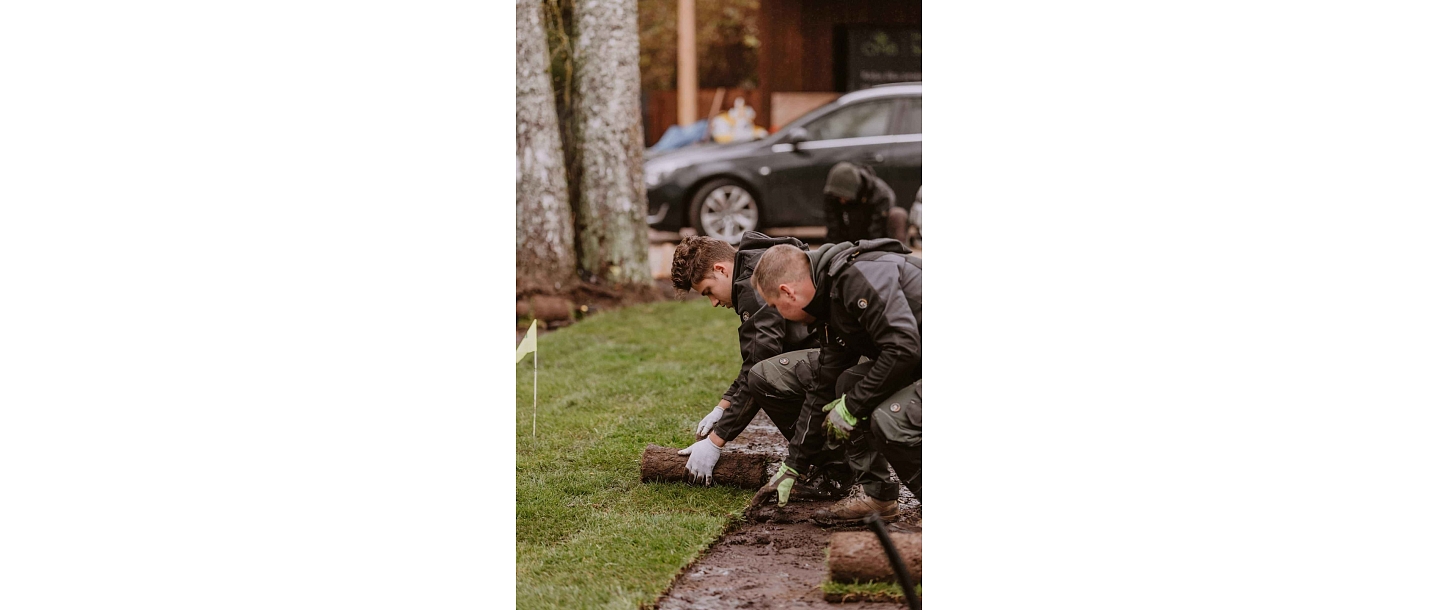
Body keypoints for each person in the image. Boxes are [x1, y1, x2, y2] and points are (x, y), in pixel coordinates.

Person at [668, 232, 856, 496]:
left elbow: (760, 366)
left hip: (845, 359)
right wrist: (723, 406)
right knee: (773, 372)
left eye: (708, 291)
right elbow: (758, 357)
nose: (713, 303)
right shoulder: (757, 259)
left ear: (720, 269)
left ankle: (834, 469)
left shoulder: (751, 288)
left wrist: (715, 441)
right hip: (845, 352)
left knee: (767, 379)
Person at [749, 238, 922, 523]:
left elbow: (902, 349)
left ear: (787, 292)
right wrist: (793, 465)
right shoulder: (829, 299)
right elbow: (823, 386)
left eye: (775, 306)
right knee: (847, 384)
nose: (780, 315)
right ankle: (878, 496)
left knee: (890, 418)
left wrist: (852, 406)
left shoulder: (857, 278)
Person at [822, 162, 909, 244]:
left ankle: (898, 255)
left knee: (898, 215)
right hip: (850, 237)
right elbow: (833, 228)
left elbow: (876, 230)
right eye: (838, 197)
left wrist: (869, 251)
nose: (841, 201)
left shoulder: (881, 195)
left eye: (844, 197)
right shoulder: (833, 194)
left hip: (877, 237)